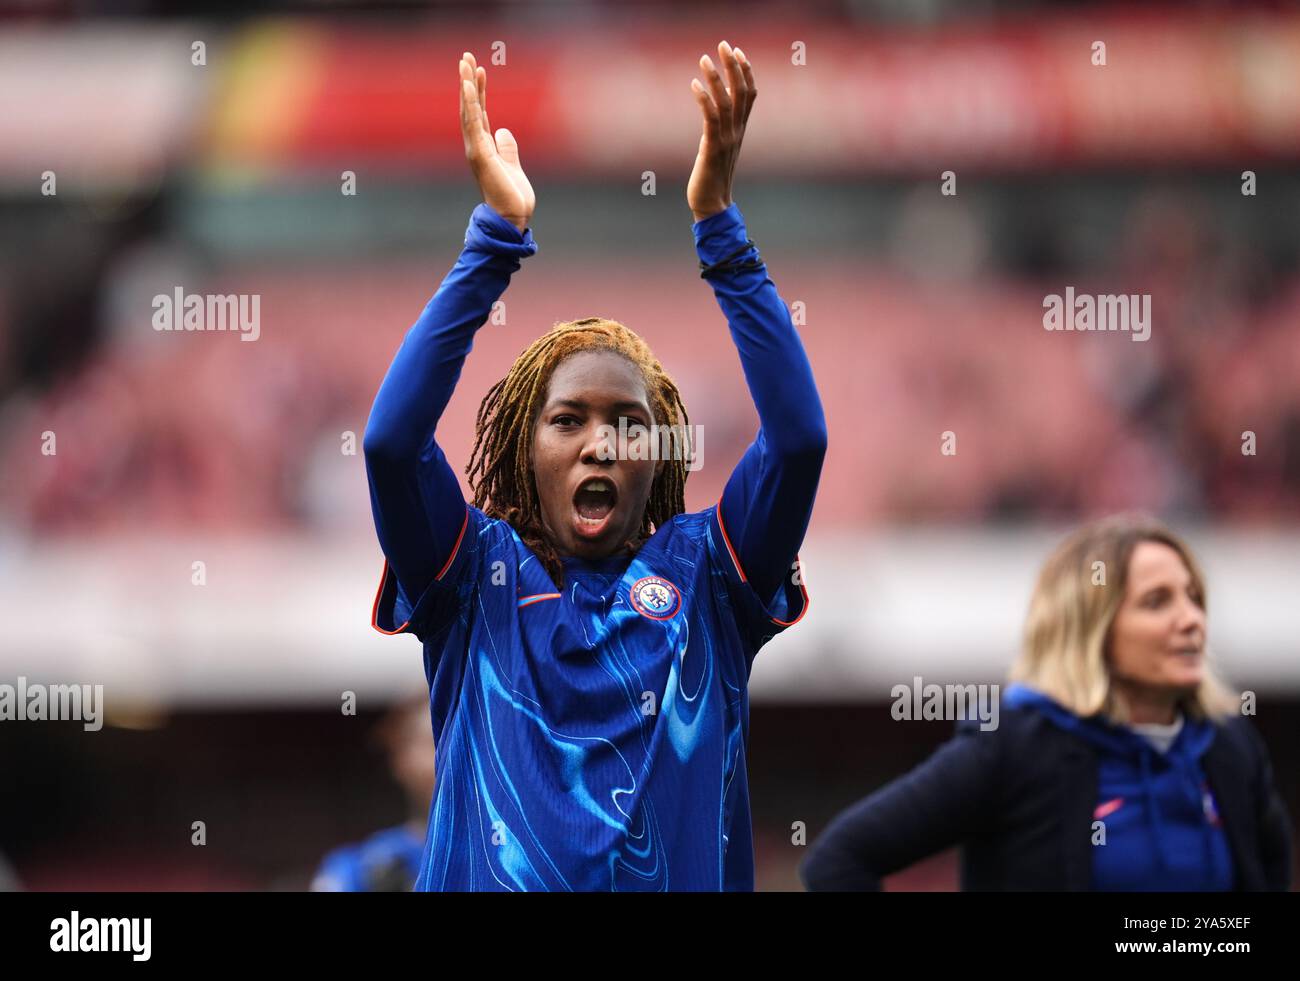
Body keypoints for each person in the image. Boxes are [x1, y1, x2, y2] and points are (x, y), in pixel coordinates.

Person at [363, 42, 825, 891]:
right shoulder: (470, 579)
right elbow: (392, 444)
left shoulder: (712, 578)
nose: (600, 442)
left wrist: (719, 223)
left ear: (658, 456)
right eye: (567, 420)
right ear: (524, 450)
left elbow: (798, 441)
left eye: (628, 423)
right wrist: (492, 242)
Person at [802, 514, 1292, 891]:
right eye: (1157, 602)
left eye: (1193, 597)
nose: (1192, 620)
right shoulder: (1014, 745)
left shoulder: (1228, 747)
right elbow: (841, 858)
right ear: (1089, 627)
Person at [311, 695, 435, 892]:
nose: (446, 755)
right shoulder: (357, 869)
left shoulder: (499, 856)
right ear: (400, 760)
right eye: (432, 741)